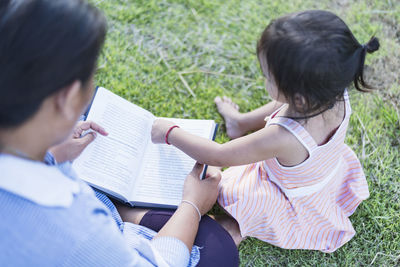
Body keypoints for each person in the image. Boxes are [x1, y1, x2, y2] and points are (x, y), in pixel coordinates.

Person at [0, 0, 239, 266]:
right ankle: (129, 213)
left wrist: (52, 153)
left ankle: (127, 211)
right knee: (219, 251)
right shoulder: (77, 229)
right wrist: (192, 205)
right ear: (65, 99)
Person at [151, 10, 380, 252]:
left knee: (232, 192)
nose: (264, 80)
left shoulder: (284, 136)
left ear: (299, 98)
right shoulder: (332, 92)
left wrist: (170, 133)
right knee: (263, 121)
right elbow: (285, 104)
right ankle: (239, 123)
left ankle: (234, 227)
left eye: (267, 77)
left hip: (284, 197)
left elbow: (219, 155)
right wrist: (243, 120)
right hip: (322, 176)